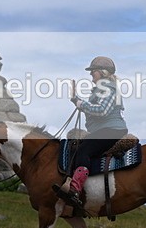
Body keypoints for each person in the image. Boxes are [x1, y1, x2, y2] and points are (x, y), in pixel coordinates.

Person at [54, 56, 128, 208]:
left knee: (84, 150)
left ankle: (75, 189)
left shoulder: (108, 88)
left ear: (102, 72)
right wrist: (75, 100)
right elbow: (94, 108)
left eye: (93, 71)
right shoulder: (103, 89)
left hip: (111, 130)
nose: (91, 74)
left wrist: (80, 103)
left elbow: (102, 111)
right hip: (107, 130)